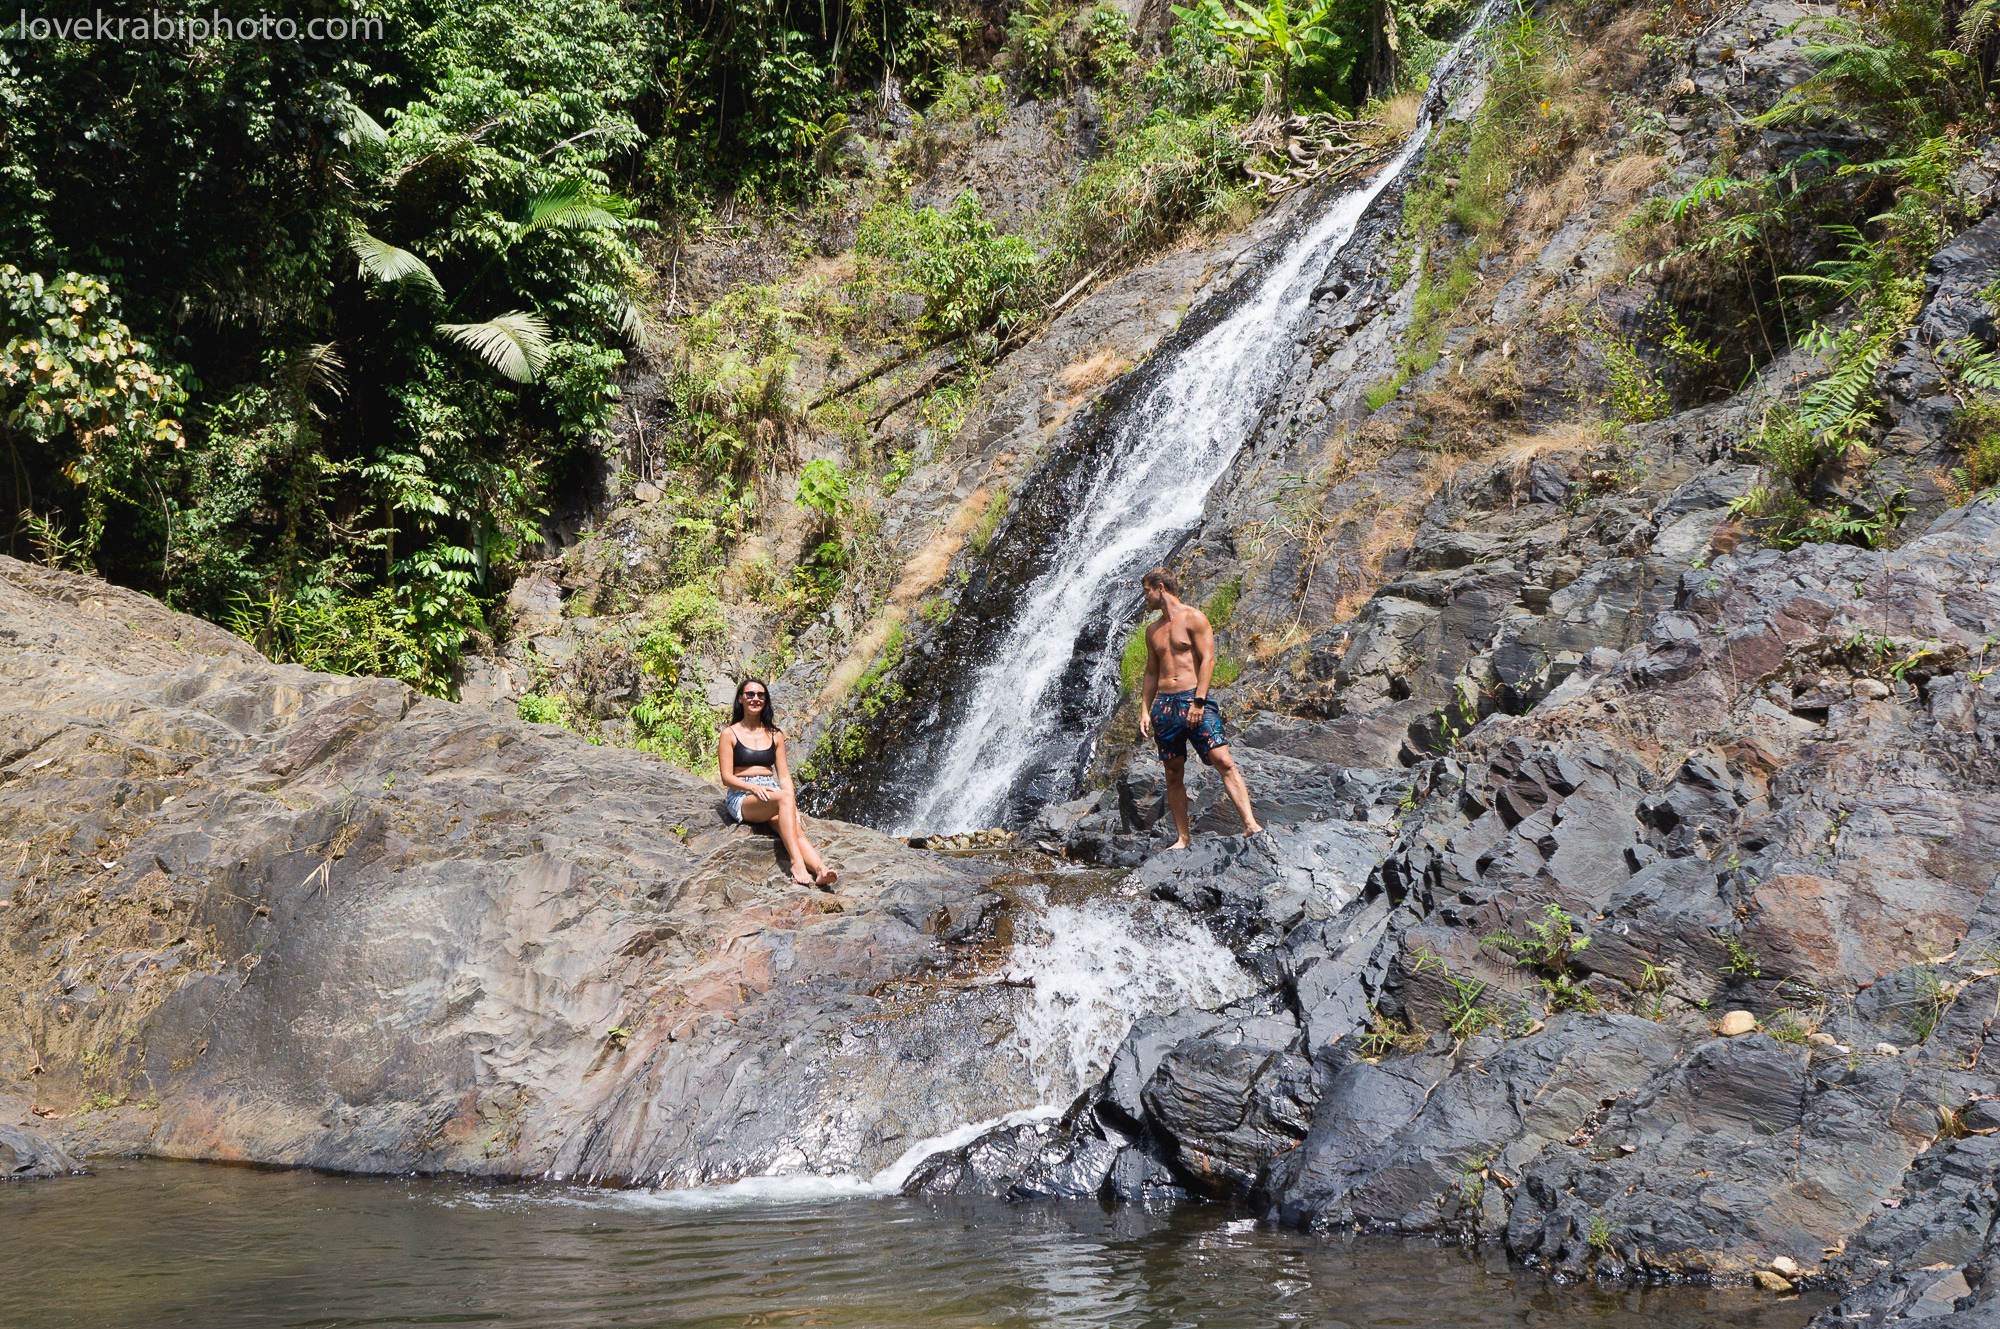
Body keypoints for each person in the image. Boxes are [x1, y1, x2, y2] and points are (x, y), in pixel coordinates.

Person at [1136, 567, 1263, 849]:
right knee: (1173, 772)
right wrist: (1145, 710)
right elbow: (1151, 673)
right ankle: (1183, 838)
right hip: (1164, 706)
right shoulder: (1153, 631)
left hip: (1193, 698)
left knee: (1223, 760)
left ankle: (1250, 824)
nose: (1144, 598)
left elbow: (1208, 660)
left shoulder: (1194, 618)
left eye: (1146, 591)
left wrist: (1199, 701)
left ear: (1160, 588)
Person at [718, 679, 837, 888]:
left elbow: (783, 777)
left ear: (766, 700)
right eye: (750, 694)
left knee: (794, 828)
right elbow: (726, 777)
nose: (755, 698)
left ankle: (820, 870)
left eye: (760, 695)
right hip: (743, 794)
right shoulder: (730, 733)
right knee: (783, 798)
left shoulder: (775, 735)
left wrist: (793, 807)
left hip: (771, 792)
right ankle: (796, 863)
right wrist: (752, 787)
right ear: (740, 699)